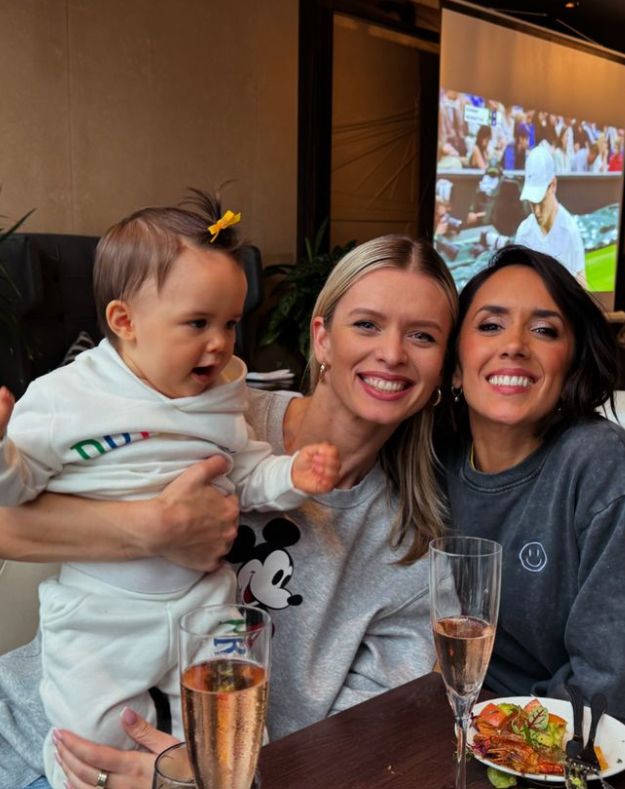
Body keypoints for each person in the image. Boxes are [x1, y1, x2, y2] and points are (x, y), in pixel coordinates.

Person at [0, 234, 458, 789]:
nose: (392, 353)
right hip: (40, 739)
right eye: (366, 324)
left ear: (443, 370)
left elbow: (360, 740)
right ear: (322, 339)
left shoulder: (409, 548)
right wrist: (156, 529)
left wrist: (199, 775)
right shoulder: (210, 409)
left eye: (423, 336)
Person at [444, 244, 625, 718]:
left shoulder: (601, 463)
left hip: (561, 742)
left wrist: (499, 739)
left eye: (544, 330)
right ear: (457, 367)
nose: (515, 345)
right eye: (490, 325)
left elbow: (608, 682)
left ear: (572, 365)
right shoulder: (432, 461)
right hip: (447, 720)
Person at [515, 146, 586, 286]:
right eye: (532, 203)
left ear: (553, 185)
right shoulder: (524, 232)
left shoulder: (570, 232)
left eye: (540, 202)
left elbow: (581, 284)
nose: (536, 212)